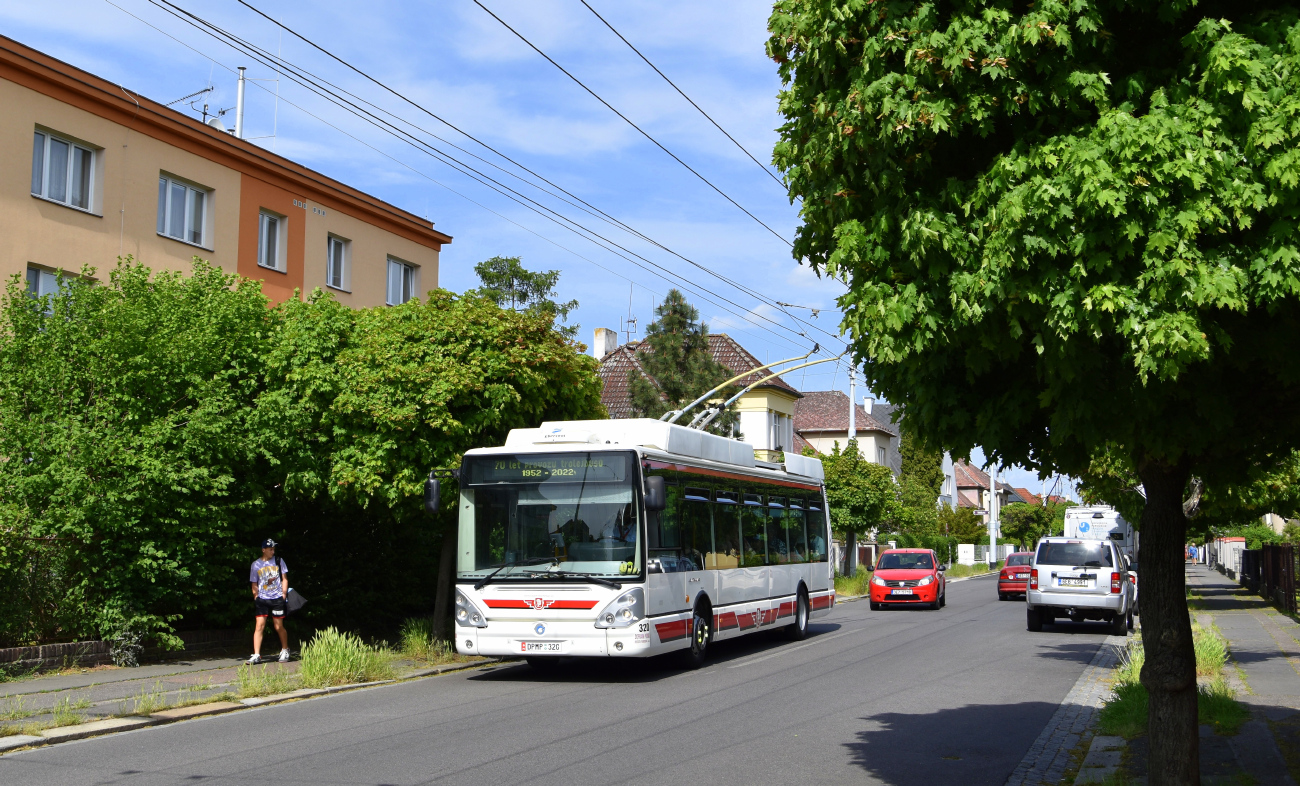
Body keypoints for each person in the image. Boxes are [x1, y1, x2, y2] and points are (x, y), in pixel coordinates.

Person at [249, 538, 290, 664]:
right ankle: (256, 655)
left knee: (278, 626)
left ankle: (285, 649)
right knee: (259, 626)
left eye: (274, 549)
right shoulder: (256, 565)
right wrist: (256, 596)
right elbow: (254, 583)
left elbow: (284, 579)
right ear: (263, 550)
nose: (273, 551)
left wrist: (283, 594)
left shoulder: (278, 561)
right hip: (262, 599)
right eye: (270, 549)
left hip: (277, 598)